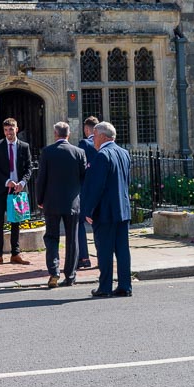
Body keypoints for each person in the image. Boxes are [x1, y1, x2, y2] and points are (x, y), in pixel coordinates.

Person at [80, 120, 133, 298]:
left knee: (104, 250)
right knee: (122, 250)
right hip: (122, 210)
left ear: (102, 136)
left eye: (94, 136)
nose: (92, 140)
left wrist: (87, 210)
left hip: (105, 212)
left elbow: (96, 187)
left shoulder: (102, 155)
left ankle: (105, 287)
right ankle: (125, 285)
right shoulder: (124, 153)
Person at [36, 120, 88, 288]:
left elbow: (41, 178)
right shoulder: (79, 152)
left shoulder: (48, 152)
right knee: (72, 239)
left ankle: (54, 272)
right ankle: (70, 275)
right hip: (72, 202)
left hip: (51, 202)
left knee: (51, 237)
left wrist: (40, 199)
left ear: (55, 134)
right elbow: (83, 177)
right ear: (68, 134)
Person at [0, 117, 33, 265]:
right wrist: (7, 181)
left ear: (16, 129)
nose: (8, 133)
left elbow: (29, 168)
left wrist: (22, 182)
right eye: (6, 130)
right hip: (2, 189)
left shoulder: (24, 146)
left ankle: (15, 253)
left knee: (16, 222)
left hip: (17, 190)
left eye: (11, 129)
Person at [76, 116, 99, 271]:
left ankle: (84, 258)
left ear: (86, 129)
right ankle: (103, 257)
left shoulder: (84, 144)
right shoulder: (105, 145)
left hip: (85, 190)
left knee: (80, 224)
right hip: (101, 190)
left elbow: (80, 167)